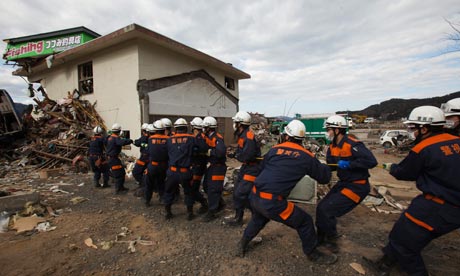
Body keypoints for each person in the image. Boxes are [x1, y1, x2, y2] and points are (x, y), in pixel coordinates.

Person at [369, 106, 460, 276]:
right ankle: (386, 262)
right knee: (403, 232)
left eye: (413, 128)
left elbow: (405, 173)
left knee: (404, 243)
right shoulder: (455, 140)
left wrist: (393, 168)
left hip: (438, 205)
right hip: (452, 204)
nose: (412, 132)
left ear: (424, 128)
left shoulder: (423, 148)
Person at [237, 120, 336, 264]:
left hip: (255, 195)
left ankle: (242, 244)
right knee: (305, 221)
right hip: (272, 203)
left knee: (259, 218)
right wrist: (326, 167)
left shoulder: (274, 150)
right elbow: (324, 178)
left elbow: (261, 169)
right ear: (301, 139)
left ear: (286, 136)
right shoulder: (306, 156)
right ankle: (313, 253)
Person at [316, 115, 377, 253]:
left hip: (358, 186)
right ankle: (320, 237)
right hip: (344, 183)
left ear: (338, 130)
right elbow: (331, 166)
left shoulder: (353, 144)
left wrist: (350, 164)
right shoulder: (332, 146)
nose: (328, 132)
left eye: (329, 129)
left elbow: (372, 162)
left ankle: (332, 240)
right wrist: (316, 166)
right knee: (321, 208)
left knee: (328, 210)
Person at [226, 111, 261, 226]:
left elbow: (248, 155)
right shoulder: (243, 135)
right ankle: (238, 216)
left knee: (240, 193)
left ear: (240, 124)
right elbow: (243, 151)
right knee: (237, 190)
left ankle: (254, 215)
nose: (234, 125)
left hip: (252, 168)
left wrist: (236, 155)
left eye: (235, 122)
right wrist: (235, 153)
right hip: (246, 167)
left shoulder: (249, 136)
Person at [164, 118, 196, 220]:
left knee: (168, 191)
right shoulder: (192, 138)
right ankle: (190, 213)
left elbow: (167, 153)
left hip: (172, 172)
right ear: (186, 128)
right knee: (188, 192)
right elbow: (200, 148)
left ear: (176, 128)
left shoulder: (169, 140)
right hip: (185, 172)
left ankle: (168, 213)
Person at [201, 116, 227, 222]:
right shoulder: (209, 137)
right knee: (206, 186)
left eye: (204, 127)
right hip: (212, 166)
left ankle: (212, 211)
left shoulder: (217, 138)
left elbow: (220, 153)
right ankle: (220, 203)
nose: (203, 129)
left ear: (209, 128)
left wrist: (209, 152)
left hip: (218, 167)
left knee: (213, 189)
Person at [144, 121, 169, 206]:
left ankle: (147, 200)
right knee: (161, 182)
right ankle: (162, 198)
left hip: (153, 166)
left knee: (149, 183)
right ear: (163, 129)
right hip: (163, 166)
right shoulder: (168, 139)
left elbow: (148, 151)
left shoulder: (150, 139)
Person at [189, 117, 209, 214]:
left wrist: (195, 151)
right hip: (198, 165)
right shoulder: (200, 137)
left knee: (193, 187)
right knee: (193, 186)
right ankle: (195, 200)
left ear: (194, 127)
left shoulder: (199, 138)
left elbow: (203, 149)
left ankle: (204, 203)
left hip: (198, 166)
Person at [106, 123, 133, 194]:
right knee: (118, 174)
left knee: (121, 172)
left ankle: (121, 187)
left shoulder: (110, 137)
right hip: (113, 159)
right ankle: (118, 190)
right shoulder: (116, 138)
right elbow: (121, 142)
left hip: (113, 158)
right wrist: (129, 140)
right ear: (119, 131)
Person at [132, 123, 150, 196]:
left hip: (144, 158)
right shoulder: (151, 138)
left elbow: (137, 142)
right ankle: (144, 185)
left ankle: (144, 186)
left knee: (136, 172)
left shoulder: (144, 138)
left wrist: (131, 141)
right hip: (150, 159)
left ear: (143, 131)